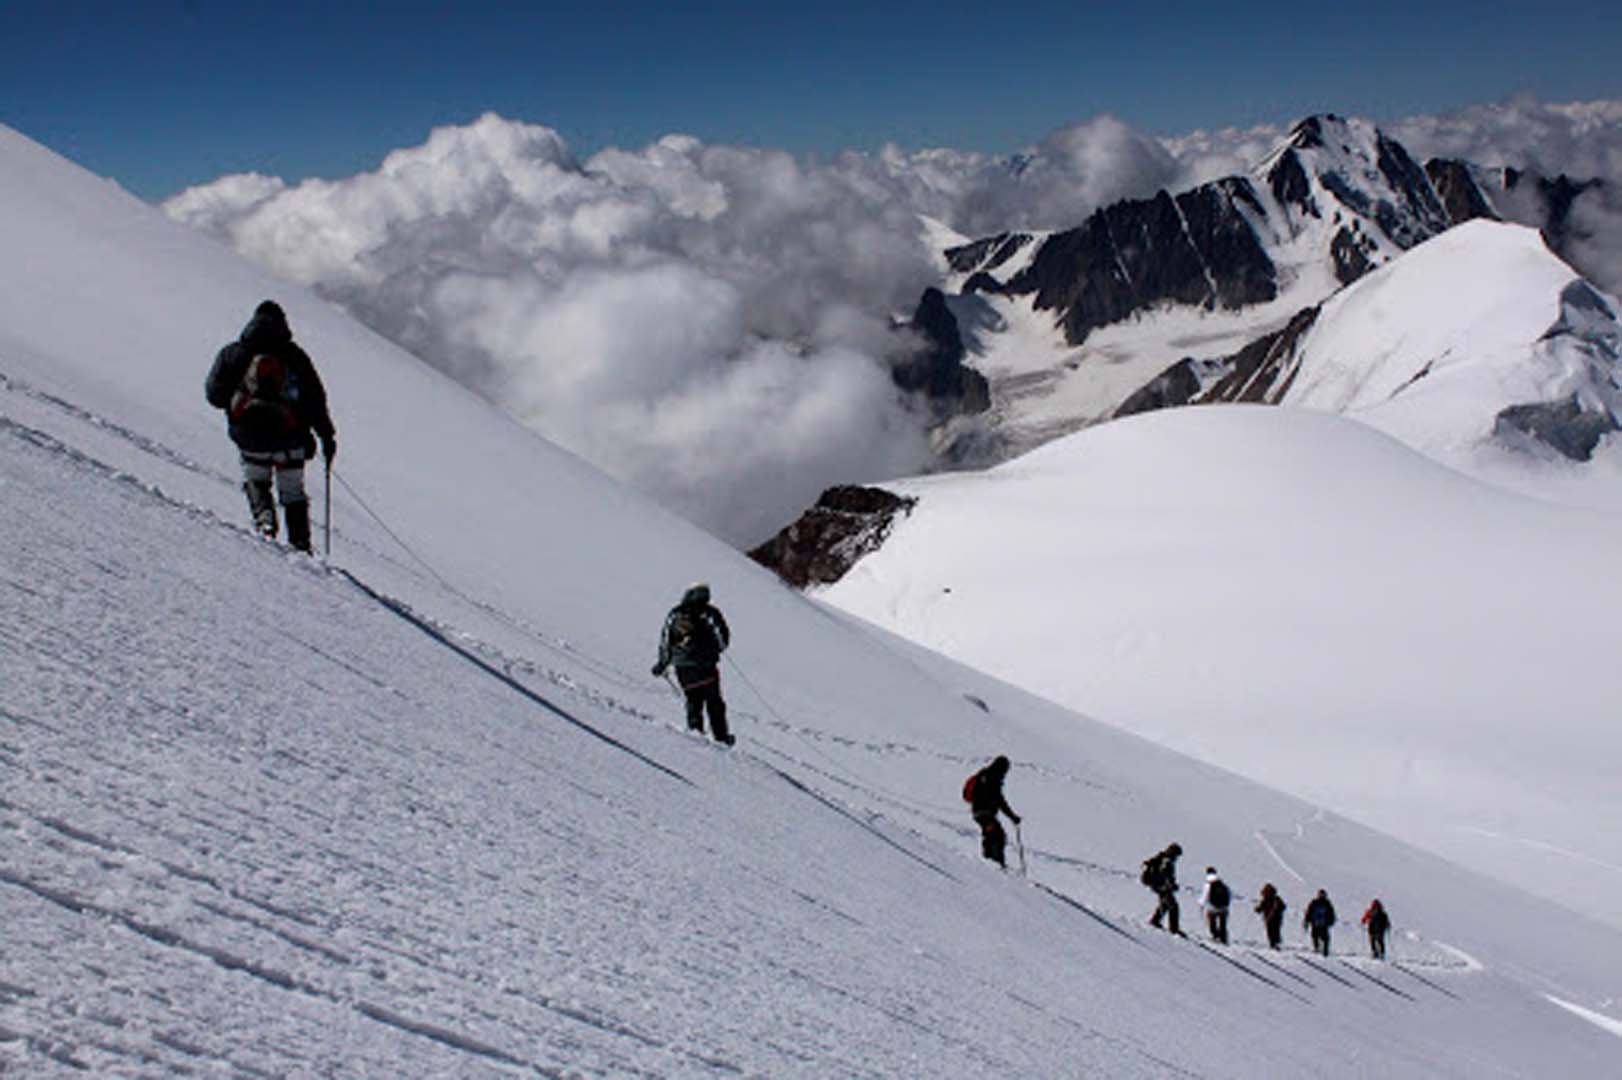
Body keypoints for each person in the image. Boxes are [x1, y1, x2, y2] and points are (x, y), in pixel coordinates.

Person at [205, 301, 336, 553]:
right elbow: (315, 400)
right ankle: (300, 544)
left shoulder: (233, 353)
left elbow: (214, 396)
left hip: (249, 437)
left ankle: (264, 521)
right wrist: (326, 437)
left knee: (256, 479)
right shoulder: (295, 356)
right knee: (293, 492)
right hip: (291, 438)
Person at [652, 582, 734, 745]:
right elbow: (722, 639)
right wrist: (714, 651)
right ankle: (721, 737)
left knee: (693, 699)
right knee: (714, 701)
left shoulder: (676, 613)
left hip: (682, 666)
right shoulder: (710, 612)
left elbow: (666, 640)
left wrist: (662, 663)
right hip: (706, 665)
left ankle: (695, 733)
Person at [962, 755, 1021, 867]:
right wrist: (1012, 816)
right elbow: (999, 800)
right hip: (985, 813)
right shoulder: (993, 778)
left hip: (979, 812)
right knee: (996, 835)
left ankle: (991, 860)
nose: (1006, 772)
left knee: (992, 834)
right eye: (1005, 769)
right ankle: (994, 863)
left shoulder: (985, 775)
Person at [1141, 843, 1184, 935]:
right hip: (1162, 887)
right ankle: (1174, 929)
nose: (1177, 858)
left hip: (1159, 886)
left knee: (1165, 905)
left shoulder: (1162, 858)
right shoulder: (1167, 861)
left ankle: (1155, 921)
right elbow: (1166, 875)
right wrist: (1171, 885)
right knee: (1173, 907)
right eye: (1177, 855)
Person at [1200, 867, 1231, 944]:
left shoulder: (1208, 884)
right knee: (1222, 924)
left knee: (1212, 922)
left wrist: (1201, 904)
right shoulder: (1222, 883)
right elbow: (1229, 894)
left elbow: (1205, 895)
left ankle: (1215, 936)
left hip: (1213, 907)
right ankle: (1223, 938)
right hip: (1224, 908)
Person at [1304, 888, 1337, 956]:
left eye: (1323, 894)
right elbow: (1309, 912)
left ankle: (1325, 951)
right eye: (1320, 894)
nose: (1321, 896)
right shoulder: (1314, 902)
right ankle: (1317, 948)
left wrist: (1331, 920)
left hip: (1323, 923)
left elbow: (1331, 913)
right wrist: (1306, 921)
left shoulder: (1327, 903)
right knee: (1315, 936)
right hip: (1315, 922)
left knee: (1325, 938)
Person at [1255, 882, 1287, 950]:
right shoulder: (1265, 900)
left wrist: (1277, 909)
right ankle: (1273, 944)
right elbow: (1261, 907)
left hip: (1275, 918)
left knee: (1274, 931)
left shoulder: (1276, 899)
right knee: (1270, 931)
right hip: (1269, 918)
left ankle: (1275, 944)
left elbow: (1283, 907)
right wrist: (1258, 909)